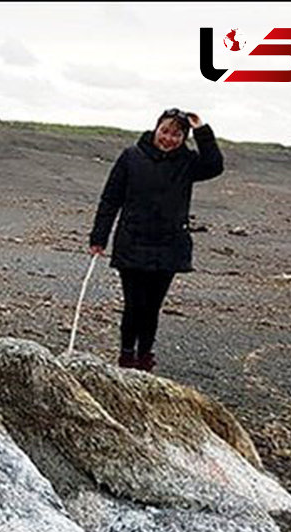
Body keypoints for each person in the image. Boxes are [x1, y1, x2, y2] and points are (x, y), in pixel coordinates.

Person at [88, 108, 224, 371]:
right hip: (133, 242)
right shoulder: (131, 156)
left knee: (152, 307)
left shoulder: (188, 163)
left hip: (169, 245)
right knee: (133, 305)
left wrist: (202, 130)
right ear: (155, 129)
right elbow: (110, 199)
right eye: (165, 131)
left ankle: (145, 355)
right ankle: (127, 355)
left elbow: (215, 166)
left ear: (184, 137)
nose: (169, 138)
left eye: (177, 134)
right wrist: (99, 237)